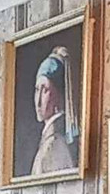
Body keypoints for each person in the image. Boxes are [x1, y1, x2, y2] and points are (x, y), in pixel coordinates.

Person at [27, 47, 80, 176]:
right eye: (37, 90)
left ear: (59, 95)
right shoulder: (47, 141)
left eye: (45, 90)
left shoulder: (55, 145)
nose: (38, 101)